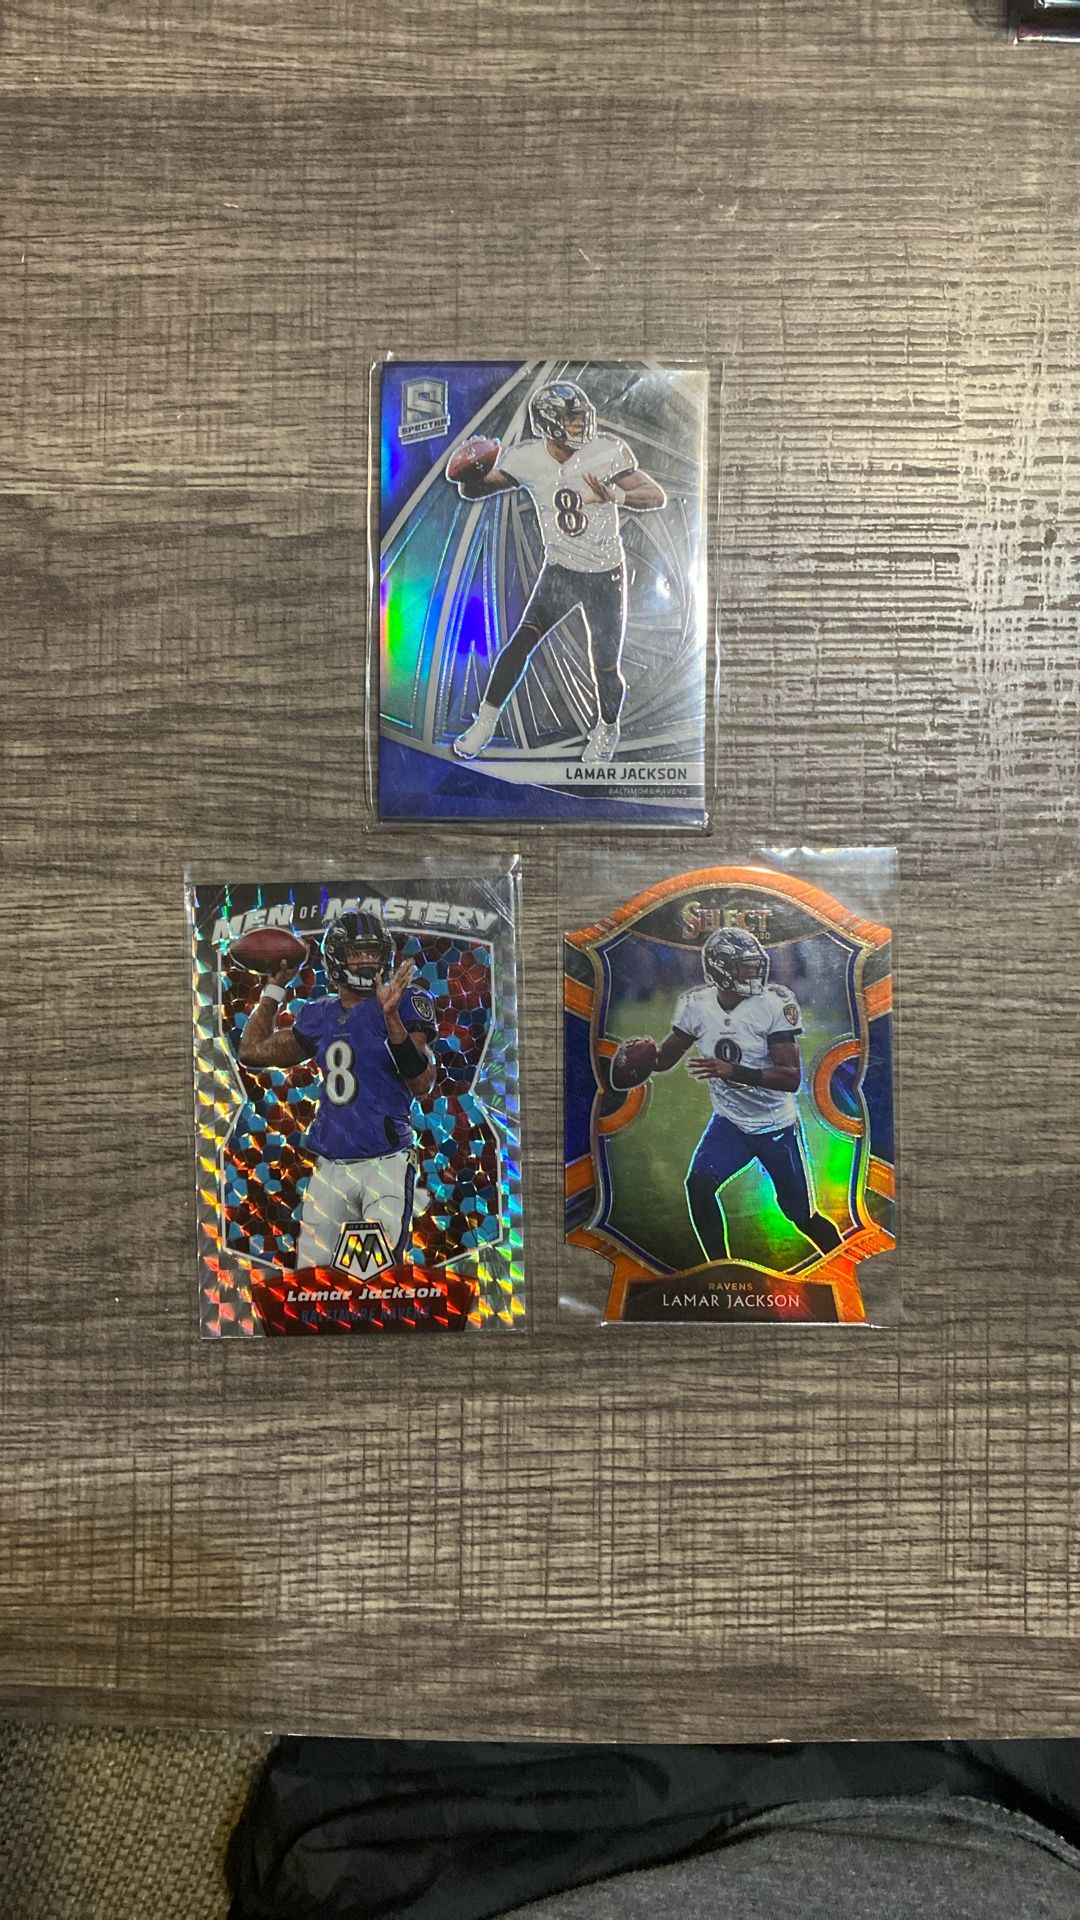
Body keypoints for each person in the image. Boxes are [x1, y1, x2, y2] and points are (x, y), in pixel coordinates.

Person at [448, 379, 666, 767]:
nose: (581, 425)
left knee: (605, 666)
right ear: (549, 423)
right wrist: (468, 468)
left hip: (604, 574)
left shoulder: (607, 451)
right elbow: (475, 490)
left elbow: (655, 495)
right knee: (520, 644)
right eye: (572, 419)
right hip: (561, 570)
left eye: (582, 417)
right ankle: (485, 722)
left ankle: (608, 727)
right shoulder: (526, 457)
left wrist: (614, 495)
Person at [612, 926, 841, 1264]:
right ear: (721, 969)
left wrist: (732, 1071)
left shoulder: (773, 1004)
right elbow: (665, 1058)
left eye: (754, 964)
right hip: (730, 1123)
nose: (754, 971)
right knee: (699, 1185)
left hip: (776, 1127)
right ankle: (719, 1268)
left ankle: (844, 1260)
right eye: (744, 966)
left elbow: (791, 1077)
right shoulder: (697, 1005)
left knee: (803, 1217)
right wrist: (641, 1058)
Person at [238, 909, 436, 1269]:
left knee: (372, 1275)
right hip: (330, 1167)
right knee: (311, 1278)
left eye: (373, 952)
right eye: (357, 953)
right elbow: (252, 1051)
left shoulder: (405, 1001)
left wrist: (392, 1018)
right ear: (337, 958)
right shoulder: (320, 1015)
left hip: (385, 1162)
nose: (367, 961)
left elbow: (422, 1082)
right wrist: (274, 988)